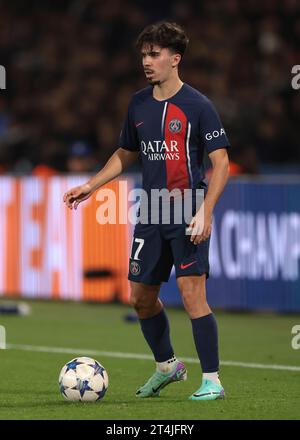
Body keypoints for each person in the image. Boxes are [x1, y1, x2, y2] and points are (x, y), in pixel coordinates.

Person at [63, 21, 230, 401]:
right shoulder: (138, 103)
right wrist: (91, 185)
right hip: (151, 212)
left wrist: (205, 210)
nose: (146, 61)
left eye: (154, 54)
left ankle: (213, 381)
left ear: (175, 59)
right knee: (140, 298)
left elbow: (221, 163)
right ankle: (168, 366)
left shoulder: (198, 106)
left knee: (192, 296)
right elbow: (126, 153)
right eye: (143, 54)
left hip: (188, 210)